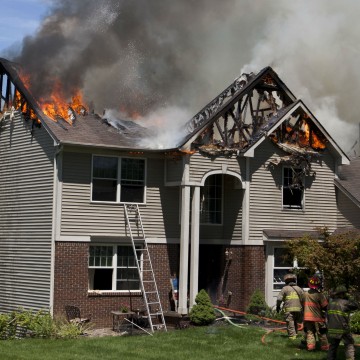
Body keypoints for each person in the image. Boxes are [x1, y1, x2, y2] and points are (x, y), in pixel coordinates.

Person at [327, 285, 359, 360]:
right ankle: (350, 358)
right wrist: (349, 298)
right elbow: (356, 306)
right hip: (343, 328)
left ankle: (330, 358)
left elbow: (327, 316)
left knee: (333, 346)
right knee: (349, 344)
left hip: (332, 329)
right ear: (343, 294)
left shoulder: (330, 304)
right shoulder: (346, 303)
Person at [303, 275, 329, 351]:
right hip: (318, 318)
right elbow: (325, 306)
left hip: (307, 317)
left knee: (310, 332)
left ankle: (311, 347)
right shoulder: (320, 295)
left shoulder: (305, 294)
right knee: (321, 333)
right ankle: (325, 348)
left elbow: (302, 304)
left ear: (309, 284)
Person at [276, 273, 304, 340]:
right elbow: (304, 298)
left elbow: (279, 299)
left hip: (289, 309)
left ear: (286, 281)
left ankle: (292, 337)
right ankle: (296, 334)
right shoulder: (299, 289)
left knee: (290, 323)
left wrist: (278, 306)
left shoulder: (285, 289)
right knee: (295, 322)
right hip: (298, 310)